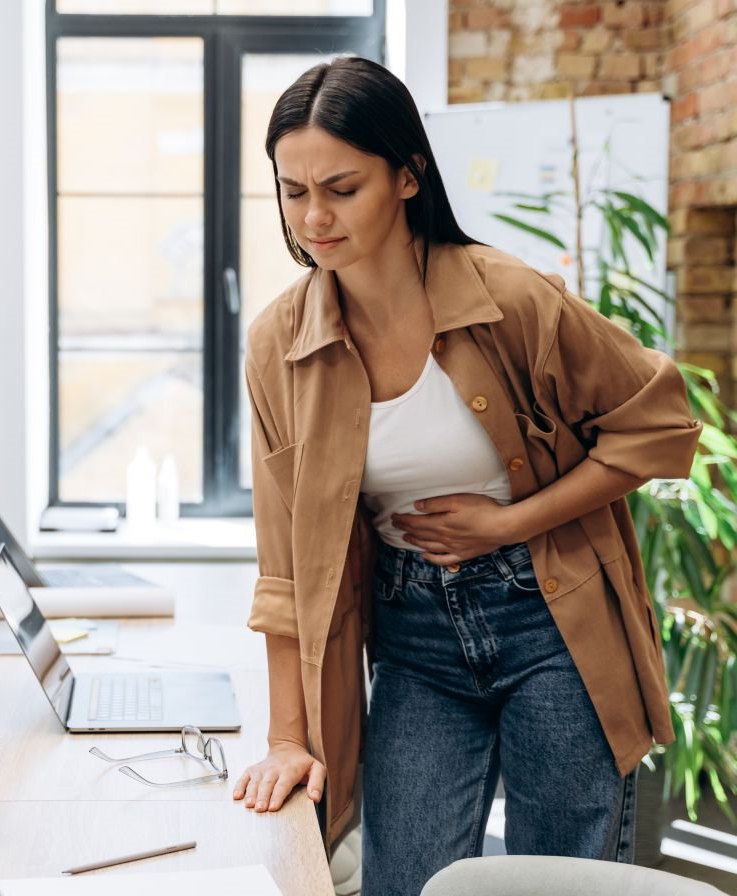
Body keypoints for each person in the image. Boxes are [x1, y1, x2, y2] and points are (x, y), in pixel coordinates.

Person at [231, 55, 701, 896]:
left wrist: (510, 524)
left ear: (408, 175)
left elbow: (659, 425)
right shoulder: (279, 346)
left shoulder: (512, 299)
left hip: (552, 623)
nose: (313, 217)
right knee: (402, 881)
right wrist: (285, 738)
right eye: (293, 191)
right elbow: (286, 570)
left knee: (560, 884)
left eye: (342, 187)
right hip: (413, 639)